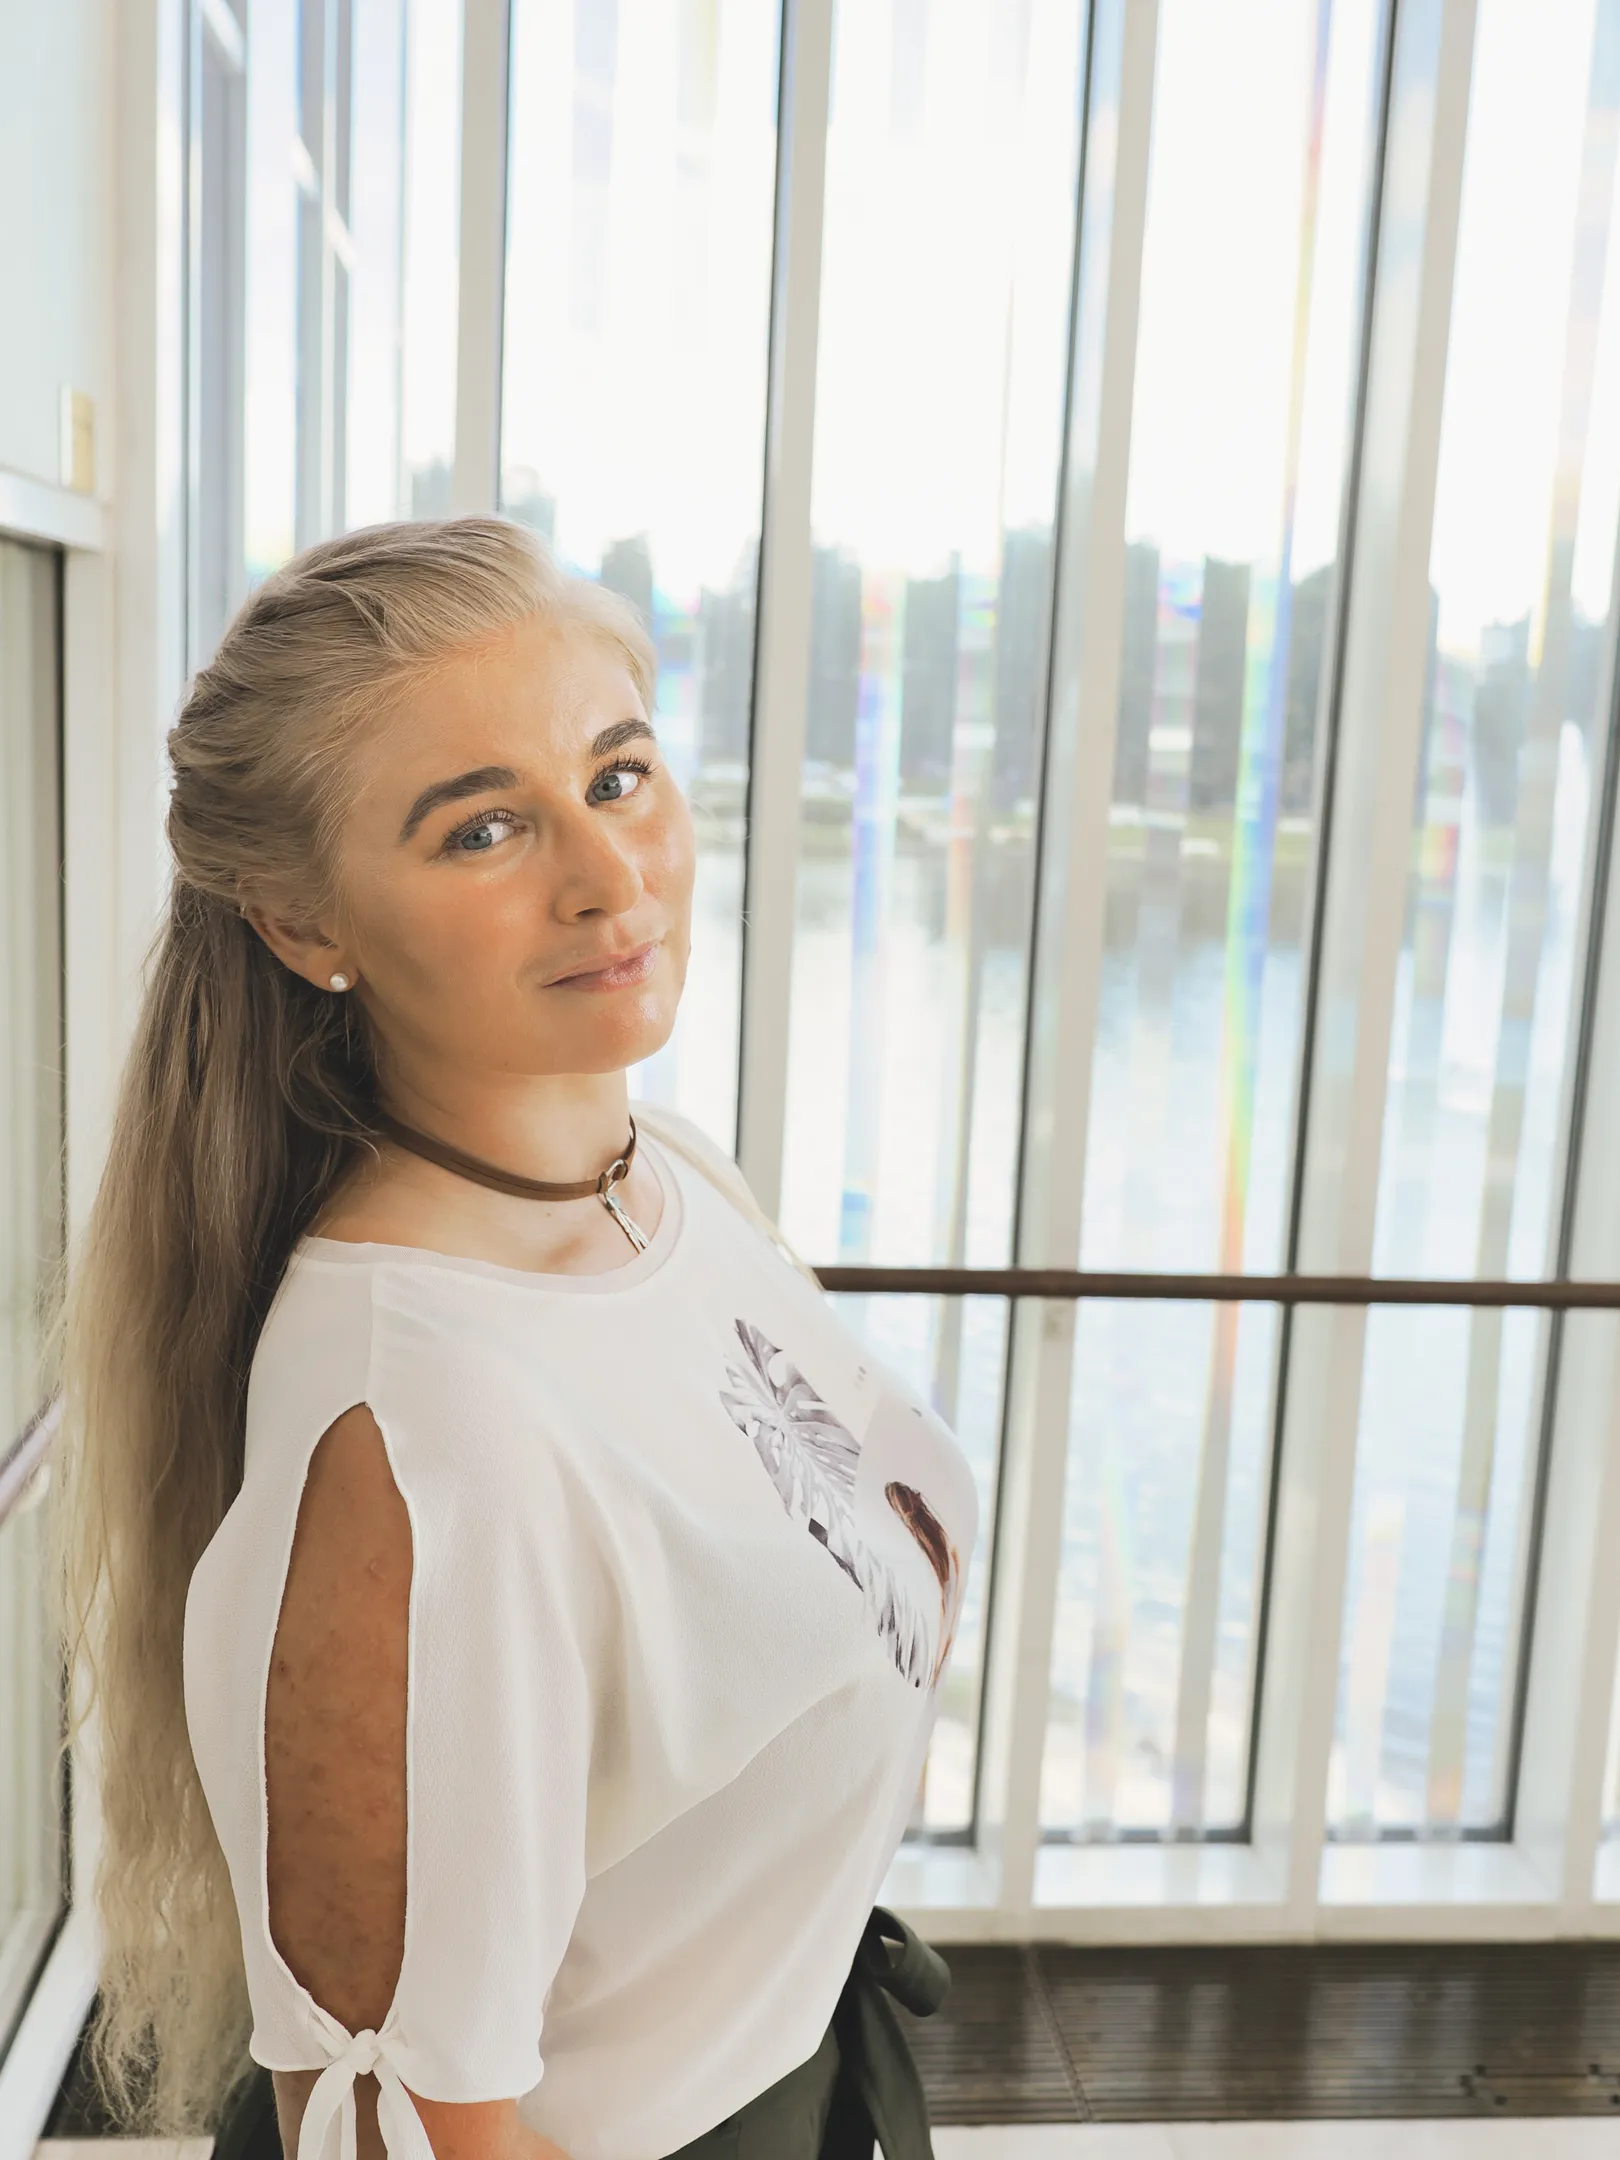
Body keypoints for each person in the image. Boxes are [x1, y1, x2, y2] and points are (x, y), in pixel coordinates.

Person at [55, 518, 978, 2160]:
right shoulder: (428, 1415)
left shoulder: (656, 1175)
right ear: (299, 923)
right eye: (484, 830)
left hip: (810, 2064)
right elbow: (400, 2134)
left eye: (617, 777)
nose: (609, 875)